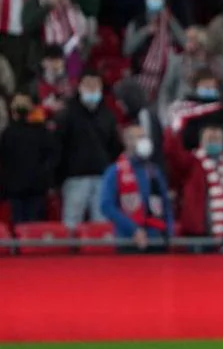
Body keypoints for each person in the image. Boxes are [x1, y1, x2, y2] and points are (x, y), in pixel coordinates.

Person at [56, 70, 122, 229]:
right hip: (74, 177)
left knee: (101, 224)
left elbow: (114, 146)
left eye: (95, 86)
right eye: (88, 85)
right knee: (71, 222)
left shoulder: (108, 116)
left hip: (102, 176)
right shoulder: (67, 115)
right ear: (80, 87)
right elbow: (59, 146)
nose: (92, 89)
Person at [99, 125, 172, 251]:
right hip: (128, 240)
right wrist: (133, 229)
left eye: (145, 137)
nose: (144, 141)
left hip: (157, 238)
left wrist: (169, 232)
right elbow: (106, 206)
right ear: (127, 141)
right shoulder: (115, 171)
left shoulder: (154, 171)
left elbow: (165, 203)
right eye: (139, 138)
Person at [124, 0, 187, 101]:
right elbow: (127, 50)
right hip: (141, 76)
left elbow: (185, 43)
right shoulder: (136, 23)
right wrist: (145, 31)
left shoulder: (170, 22)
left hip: (167, 78)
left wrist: (171, 21)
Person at [0, 92, 56, 224]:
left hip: (15, 188)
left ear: (13, 112)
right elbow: (51, 158)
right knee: (34, 225)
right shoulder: (42, 132)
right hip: (36, 187)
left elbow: (3, 162)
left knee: (18, 224)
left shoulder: (8, 133)